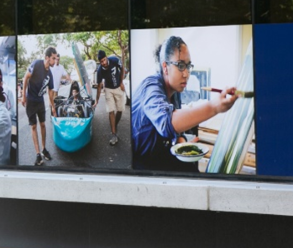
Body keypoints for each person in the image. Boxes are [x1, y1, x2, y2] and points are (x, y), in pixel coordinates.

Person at [130, 36, 238, 172]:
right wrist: (214, 106)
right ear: (165, 67)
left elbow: (175, 130)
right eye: (180, 66)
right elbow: (166, 123)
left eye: (188, 66)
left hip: (158, 155)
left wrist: (181, 142)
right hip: (140, 165)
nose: (186, 74)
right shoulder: (151, 87)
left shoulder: (175, 91)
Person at [21, 46, 57, 166]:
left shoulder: (49, 74)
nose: (55, 60)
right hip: (31, 100)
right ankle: (37, 154)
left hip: (40, 101)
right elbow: (25, 78)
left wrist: (53, 106)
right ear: (47, 58)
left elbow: (50, 92)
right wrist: (23, 96)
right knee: (33, 126)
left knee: (43, 124)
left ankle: (44, 149)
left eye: (56, 58)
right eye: (53, 58)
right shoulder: (37, 64)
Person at [94, 49, 126, 146]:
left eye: (104, 60)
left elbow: (123, 68)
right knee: (111, 110)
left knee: (120, 110)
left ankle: (114, 126)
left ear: (106, 57)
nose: (103, 63)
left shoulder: (114, 60)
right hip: (108, 89)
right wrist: (97, 100)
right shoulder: (99, 70)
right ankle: (113, 134)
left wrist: (121, 82)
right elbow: (99, 86)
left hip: (118, 88)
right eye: (101, 61)